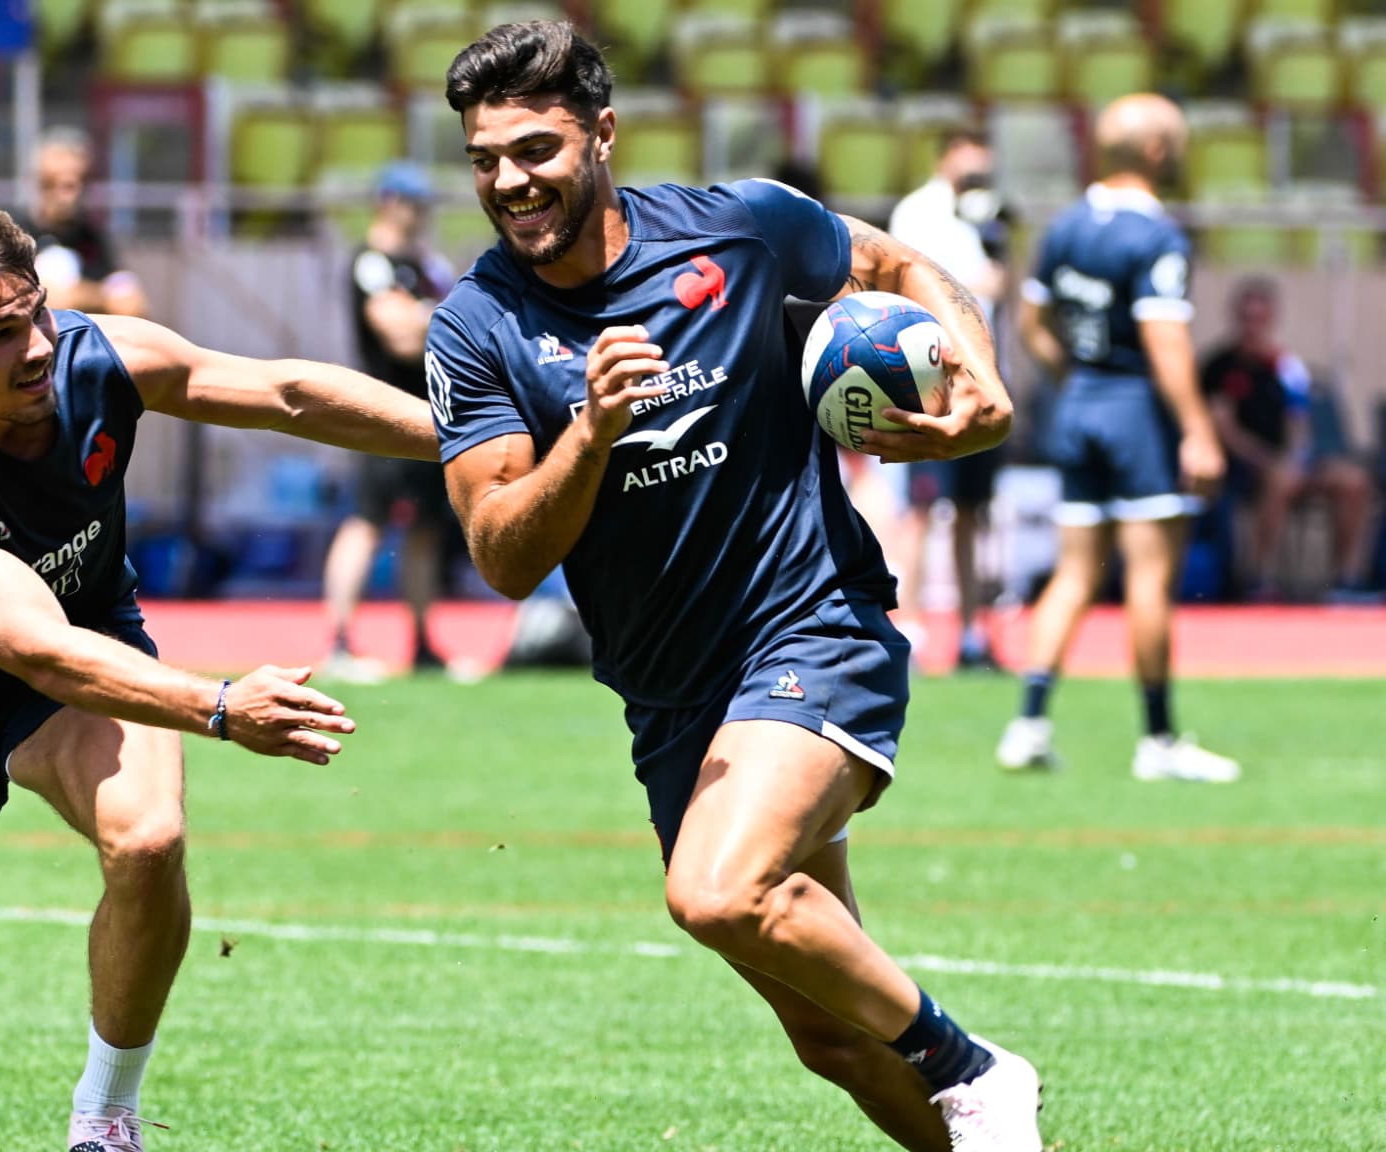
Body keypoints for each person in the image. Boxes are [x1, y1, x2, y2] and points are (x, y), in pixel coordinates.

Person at [429, 22, 1040, 1152]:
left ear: (601, 135)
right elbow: (503, 556)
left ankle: (976, 1070)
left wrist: (978, 379)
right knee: (832, 1037)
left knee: (716, 891)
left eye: (535, 149)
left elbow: (899, 265)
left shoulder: (742, 229)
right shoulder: (475, 328)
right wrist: (590, 433)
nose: (509, 181)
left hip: (810, 625)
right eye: (483, 159)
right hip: (669, 699)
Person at [0, 201, 435, 1152]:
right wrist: (222, 707)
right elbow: (29, 649)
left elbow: (284, 393)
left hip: (85, 639)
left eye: (37, 312)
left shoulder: (95, 356)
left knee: (148, 842)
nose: (37, 346)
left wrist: (469, 437)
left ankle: (105, 1121)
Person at [998, 94, 1240, 783]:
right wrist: (1198, 430)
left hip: (1077, 408)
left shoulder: (1067, 225)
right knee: (1149, 578)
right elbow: (1166, 343)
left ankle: (1028, 724)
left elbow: (1032, 322)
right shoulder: (1157, 236)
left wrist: (1074, 376)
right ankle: (1159, 741)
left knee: (1074, 571)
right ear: (1159, 151)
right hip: (1136, 413)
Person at [320, 162, 462, 679]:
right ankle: (339, 641)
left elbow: (459, 327)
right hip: (380, 408)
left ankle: (423, 644)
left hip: (435, 410)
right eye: (409, 202)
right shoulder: (370, 261)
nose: (418, 215)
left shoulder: (429, 265)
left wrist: (423, 316)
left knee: (426, 528)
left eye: (423, 205)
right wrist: (436, 318)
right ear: (386, 202)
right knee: (367, 522)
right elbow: (399, 336)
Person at [885, 128, 1009, 671]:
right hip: (930, 374)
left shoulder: (988, 212)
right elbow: (909, 281)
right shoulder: (918, 212)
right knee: (920, 509)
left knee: (970, 513)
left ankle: (970, 634)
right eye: (971, 151)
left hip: (980, 375)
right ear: (949, 154)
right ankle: (907, 628)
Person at [1200, 277, 1376, 602]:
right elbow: (1225, 429)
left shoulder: (1286, 365)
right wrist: (1265, 459)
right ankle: (1262, 580)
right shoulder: (1219, 366)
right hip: (1244, 467)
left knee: (1354, 481)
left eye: (1261, 319)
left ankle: (1345, 581)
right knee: (1281, 477)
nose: (1254, 326)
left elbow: (1300, 421)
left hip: (1291, 464)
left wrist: (1302, 455)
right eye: (1248, 318)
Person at [19, 128, 149, 318]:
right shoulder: (18, 235)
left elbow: (132, 304)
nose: (65, 195)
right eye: (52, 183)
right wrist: (101, 297)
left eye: (73, 184)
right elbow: (54, 301)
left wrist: (78, 294)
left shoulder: (93, 237)